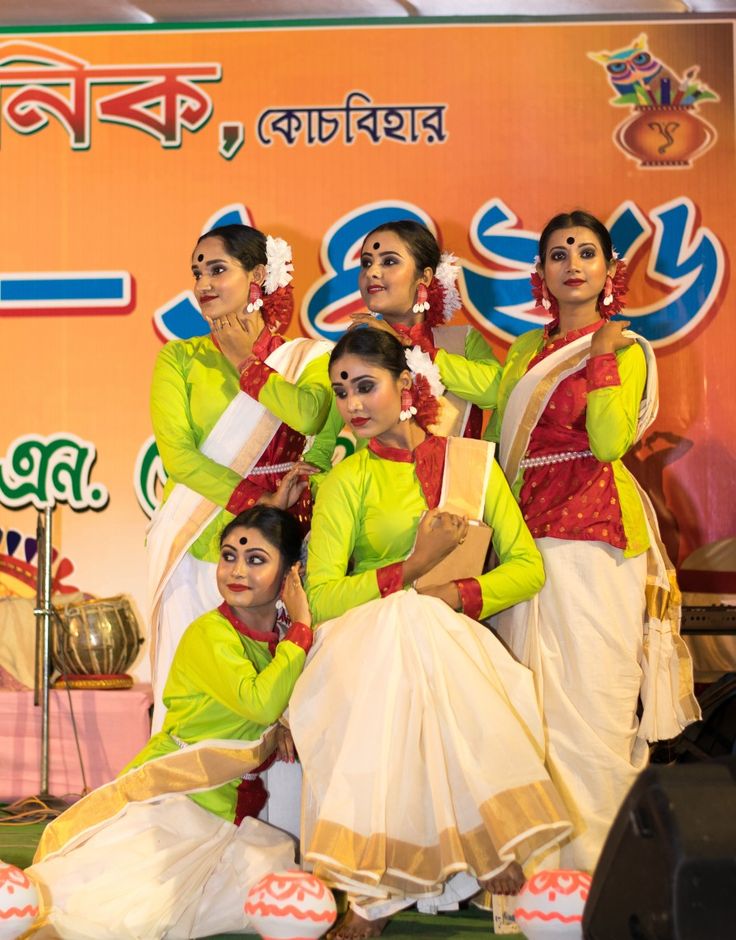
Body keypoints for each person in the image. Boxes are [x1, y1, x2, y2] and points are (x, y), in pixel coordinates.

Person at [289, 328, 572, 940]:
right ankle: (482, 840)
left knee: (420, 627)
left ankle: (379, 892)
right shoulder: (345, 481)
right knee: (407, 623)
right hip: (361, 643)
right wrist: (411, 573)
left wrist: (455, 595)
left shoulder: (472, 466)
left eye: (365, 386)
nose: (352, 404)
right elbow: (323, 596)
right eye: (341, 392)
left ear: (407, 384)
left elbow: (528, 569)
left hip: (445, 630)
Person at [487, 209, 700, 872]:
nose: (571, 262)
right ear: (542, 273)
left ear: (611, 270)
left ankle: (604, 872)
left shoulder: (627, 348)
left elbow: (609, 443)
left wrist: (603, 359)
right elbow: (494, 411)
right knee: (527, 700)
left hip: (594, 537)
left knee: (592, 697)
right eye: (558, 253)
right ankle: (537, 872)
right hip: (523, 534)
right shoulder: (526, 350)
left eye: (586, 251)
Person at [28, 506, 314, 940]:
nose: (236, 570)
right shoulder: (211, 634)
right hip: (181, 799)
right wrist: (304, 628)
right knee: (123, 917)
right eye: (229, 556)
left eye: (256, 559)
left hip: (226, 810)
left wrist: (285, 724)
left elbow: (272, 703)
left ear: (290, 575)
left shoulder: (276, 633)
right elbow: (259, 703)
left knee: (276, 878)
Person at [148, 223, 331, 731]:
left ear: (257, 276)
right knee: (199, 699)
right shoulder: (179, 358)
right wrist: (259, 501)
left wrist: (249, 364)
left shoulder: (307, 359)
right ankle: (189, 804)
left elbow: (313, 420)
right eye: (197, 272)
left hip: (279, 543)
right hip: (198, 541)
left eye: (218, 269)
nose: (203, 283)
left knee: (276, 695)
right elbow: (181, 458)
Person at [305, 220, 501, 471]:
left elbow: (495, 392)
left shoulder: (462, 341)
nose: (372, 272)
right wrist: (320, 486)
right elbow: (322, 445)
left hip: (456, 497)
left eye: (388, 261)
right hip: (380, 498)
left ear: (425, 276)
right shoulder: (355, 353)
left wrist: (412, 346)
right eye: (366, 262)